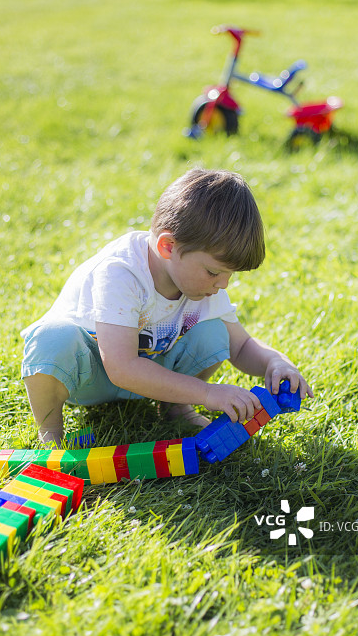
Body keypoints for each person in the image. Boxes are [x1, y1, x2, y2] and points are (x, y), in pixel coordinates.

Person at [21, 168, 313, 445]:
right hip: (89, 374)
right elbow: (121, 368)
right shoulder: (122, 273)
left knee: (214, 332)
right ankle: (51, 433)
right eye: (214, 272)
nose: (223, 284)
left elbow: (240, 345)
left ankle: (176, 407)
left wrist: (275, 363)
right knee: (52, 339)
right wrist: (207, 393)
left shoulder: (199, 285)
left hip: (150, 368)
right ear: (168, 247)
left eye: (229, 274)